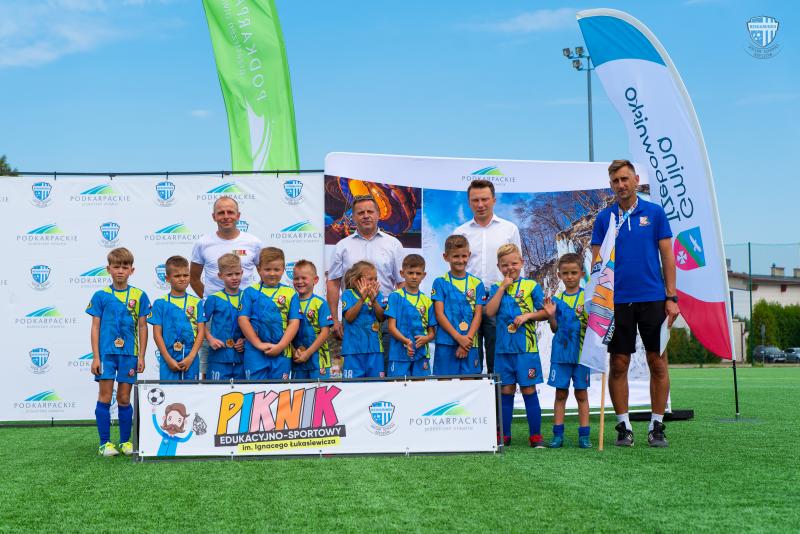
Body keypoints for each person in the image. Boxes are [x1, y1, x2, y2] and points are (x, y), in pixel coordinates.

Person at [590, 159, 679, 448]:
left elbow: (667, 256)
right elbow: (596, 263)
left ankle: (657, 425)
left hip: (653, 298)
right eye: (615, 181)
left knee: (658, 362)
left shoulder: (654, 213)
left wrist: (671, 297)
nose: (621, 185)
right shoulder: (604, 218)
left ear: (636, 180)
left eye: (625, 179)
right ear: (611, 185)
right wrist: (597, 299)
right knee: (619, 363)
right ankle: (624, 426)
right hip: (616, 302)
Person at [86, 247, 151, 457]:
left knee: (124, 397)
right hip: (106, 354)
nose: (120, 271)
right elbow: (95, 327)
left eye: (125, 267)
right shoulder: (101, 295)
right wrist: (96, 357)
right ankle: (104, 443)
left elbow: (143, 326)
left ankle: (125, 441)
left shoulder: (139, 295)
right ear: (108, 269)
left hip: (129, 355)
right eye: (116, 267)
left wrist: (141, 356)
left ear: (132, 270)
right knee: (105, 396)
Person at [454, 179, 522, 374]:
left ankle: (497, 392)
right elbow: (455, 269)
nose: (480, 204)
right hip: (468, 301)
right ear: (469, 202)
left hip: (500, 299)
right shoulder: (460, 232)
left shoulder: (509, 229)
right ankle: (474, 391)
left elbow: (518, 267)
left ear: (494, 200)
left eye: (484, 199)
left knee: (497, 355)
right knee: (470, 355)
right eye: (475, 200)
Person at [190, 196, 262, 378]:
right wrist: (214, 301)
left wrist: (251, 305)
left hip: (246, 313)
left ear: (238, 215)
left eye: (230, 212)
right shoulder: (203, 243)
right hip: (214, 317)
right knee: (208, 367)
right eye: (221, 213)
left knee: (248, 368)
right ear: (214, 216)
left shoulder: (253, 243)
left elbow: (265, 278)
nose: (226, 216)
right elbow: (194, 278)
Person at [484, 244, 548, 448]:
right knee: (506, 390)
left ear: (521, 263)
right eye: (505, 265)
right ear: (498, 267)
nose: (509, 268)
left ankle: (536, 436)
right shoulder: (496, 288)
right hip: (503, 351)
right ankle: (504, 435)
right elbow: (489, 312)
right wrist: (503, 287)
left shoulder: (531, 286)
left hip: (526, 350)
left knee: (528, 389)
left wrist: (528, 316)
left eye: (514, 263)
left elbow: (545, 312)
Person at [326, 195, 404, 353]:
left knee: (385, 365)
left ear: (378, 214)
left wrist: (399, 317)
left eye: (370, 211)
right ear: (353, 217)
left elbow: (402, 283)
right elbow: (333, 283)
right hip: (353, 317)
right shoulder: (342, 246)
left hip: (386, 316)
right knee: (356, 365)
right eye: (361, 213)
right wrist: (334, 320)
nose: (366, 216)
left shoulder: (393, 245)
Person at [542, 253, 591, 449]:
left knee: (581, 395)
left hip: (581, 356)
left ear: (582, 273)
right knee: (560, 395)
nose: (570, 277)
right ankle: (558, 435)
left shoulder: (588, 297)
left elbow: (593, 327)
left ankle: (584, 436)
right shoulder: (556, 300)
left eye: (574, 273)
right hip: (561, 356)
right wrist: (551, 316)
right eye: (565, 273)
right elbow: (555, 329)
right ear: (559, 275)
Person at [238, 247, 301, 380]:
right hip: (255, 352)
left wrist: (281, 346)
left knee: (280, 391)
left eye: (276, 269)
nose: (272, 273)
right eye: (267, 269)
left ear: (283, 270)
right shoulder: (249, 292)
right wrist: (258, 344)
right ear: (259, 269)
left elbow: (294, 322)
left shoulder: (290, 293)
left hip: (282, 352)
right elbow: (243, 319)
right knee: (255, 390)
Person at [431, 235, 485, 375]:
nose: (461, 260)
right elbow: (439, 314)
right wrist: (459, 338)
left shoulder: (477, 283)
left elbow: (478, 315)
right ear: (446, 257)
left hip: (470, 343)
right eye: (455, 256)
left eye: (464, 256)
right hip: (446, 343)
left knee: (469, 383)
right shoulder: (440, 282)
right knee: (445, 384)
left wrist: (467, 340)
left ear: (469, 255)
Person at [147, 256, 206, 381]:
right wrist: (168, 359)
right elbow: (157, 334)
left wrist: (191, 357)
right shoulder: (160, 303)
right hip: (168, 355)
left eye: (185, 275)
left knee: (191, 392)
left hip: (191, 356)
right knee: (169, 392)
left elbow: (201, 331)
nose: (182, 279)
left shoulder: (196, 302)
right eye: (177, 276)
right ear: (167, 278)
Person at [385, 254, 436, 377]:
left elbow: (432, 333)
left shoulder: (427, 301)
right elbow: (391, 327)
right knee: (398, 387)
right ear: (402, 273)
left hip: (421, 354)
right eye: (410, 273)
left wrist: (426, 338)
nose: (414, 276)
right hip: (399, 355)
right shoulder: (395, 296)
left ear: (424, 275)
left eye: (418, 273)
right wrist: (406, 341)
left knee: (419, 387)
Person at [203, 253, 246, 380]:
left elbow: (255, 324)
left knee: (242, 391)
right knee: (216, 390)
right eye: (229, 274)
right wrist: (210, 339)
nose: (234, 278)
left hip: (242, 356)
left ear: (242, 273)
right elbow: (200, 323)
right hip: (218, 357)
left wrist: (245, 340)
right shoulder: (213, 299)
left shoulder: (247, 297)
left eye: (237, 273)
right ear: (220, 276)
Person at [341, 261, 385, 378]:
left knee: (377, 385)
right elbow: (349, 318)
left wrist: (374, 301)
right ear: (357, 281)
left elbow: (381, 318)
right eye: (370, 279)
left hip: (375, 349)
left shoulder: (378, 295)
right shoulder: (348, 294)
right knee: (353, 386)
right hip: (353, 351)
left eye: (376, 279)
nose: (374, 282)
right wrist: (362, 299)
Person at [291, 259, 334, 379]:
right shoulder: (290, 303)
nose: (300, 281)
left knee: (320, 391)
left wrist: (308, 353)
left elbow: (325, 332)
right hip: (297, 360)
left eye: (304, 278)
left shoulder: (320, 303)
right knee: (299, 391)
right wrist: (294, 351)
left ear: (315, 280)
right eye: (296, 278)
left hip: (319, 362)